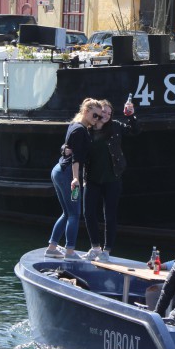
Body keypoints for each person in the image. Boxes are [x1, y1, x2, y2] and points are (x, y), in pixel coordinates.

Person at [46, 98, 103, 260]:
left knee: (66, 213)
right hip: (67, 173)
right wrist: (76, 178)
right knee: (74, 214)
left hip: (59, 170)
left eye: (99, 117)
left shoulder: (75, 125)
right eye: (95, 115)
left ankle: (52, 247)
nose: (96, 119)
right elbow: (76, 157)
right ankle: (70, 251)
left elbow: (68, 148)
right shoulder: (80, 130)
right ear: (86, 111)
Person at [83, 97, 139, 261]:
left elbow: (134, 130)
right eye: (104, 112)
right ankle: (95, 247)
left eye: (109, 112)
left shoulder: (115, 127)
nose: (107, 115)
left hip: (112, 177)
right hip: (92, 177)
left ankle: (107, 250)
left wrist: (131, 116)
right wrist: (65, 149)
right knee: (88, 213)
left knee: (110, 214)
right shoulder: (87, 129)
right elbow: (71, 142)